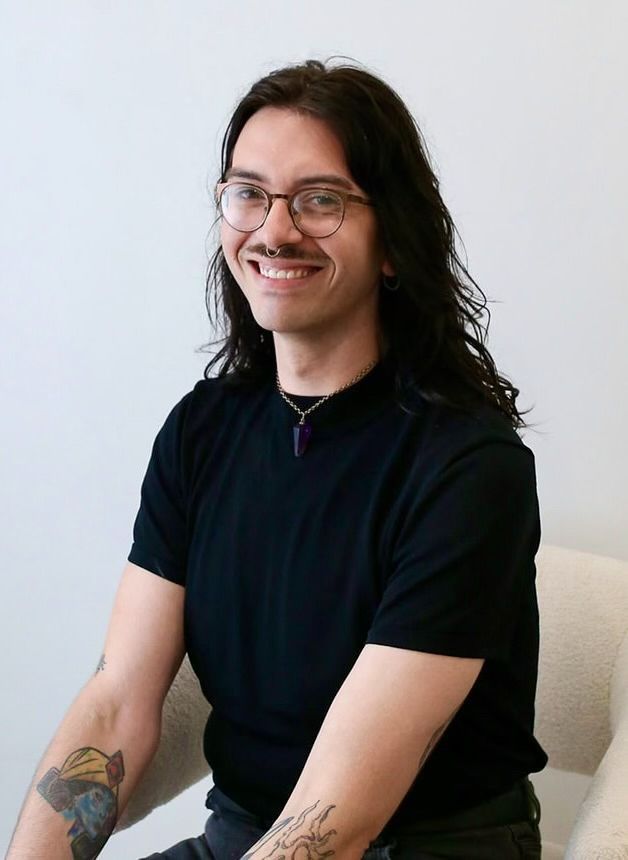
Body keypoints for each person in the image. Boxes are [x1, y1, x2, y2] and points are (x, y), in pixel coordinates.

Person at [8, 57, 547, 860]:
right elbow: (118, 702)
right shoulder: (202, 431)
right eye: (248, 193)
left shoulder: (470, 468)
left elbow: (340, 819)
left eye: (321, 200)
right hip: (245, 838)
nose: (273, 229)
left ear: (393, 242)